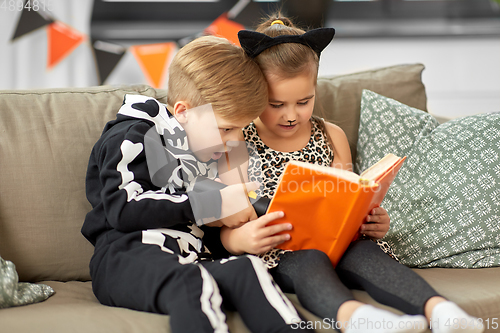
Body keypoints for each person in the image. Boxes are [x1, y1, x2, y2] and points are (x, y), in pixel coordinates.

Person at [217, 15, 485, 333]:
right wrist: (238, 240)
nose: (291, 115)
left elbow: (348, 193)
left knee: (367, 253)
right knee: (309, 261)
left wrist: (371, 221)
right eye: (276, 104)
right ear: (255, 93)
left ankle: (440, 311)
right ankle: (358, 319)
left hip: (340, 242)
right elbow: (221, 218)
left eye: (304, 101)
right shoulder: (236, 140)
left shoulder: (331, 135)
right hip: (281, 252)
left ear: (315, 88)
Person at [81, 35, 314, 333]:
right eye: (227, 128)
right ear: (183, 112)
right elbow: (122, 209)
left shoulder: (205, 151)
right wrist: (212, 203)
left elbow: (195, 230)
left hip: (187, 258)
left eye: (239, 129)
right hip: (124, 258)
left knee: (248, 268)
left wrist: (235, 236)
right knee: (193, 282)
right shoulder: (132, 136)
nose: (233, 140)